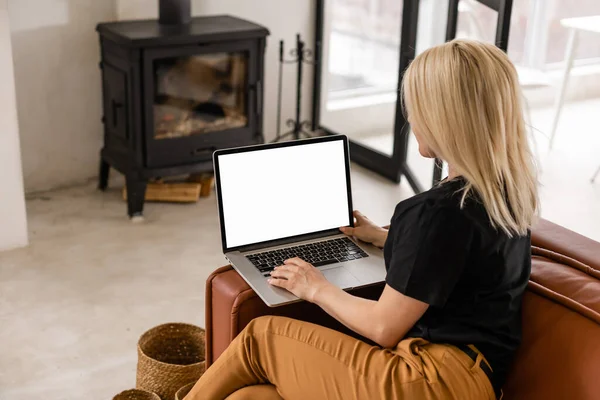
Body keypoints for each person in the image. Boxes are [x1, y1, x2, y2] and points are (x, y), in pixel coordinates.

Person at [186, 39, 538, 400]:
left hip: (429, 382)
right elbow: (460, 260)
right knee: (249, 398)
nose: (411, 119)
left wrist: (316, 287)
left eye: (416, 108)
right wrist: (387, 238)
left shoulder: (436, 212)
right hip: (475, 384)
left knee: (259, 339)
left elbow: (384, 326)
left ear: (443, 118)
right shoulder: (505, 195)